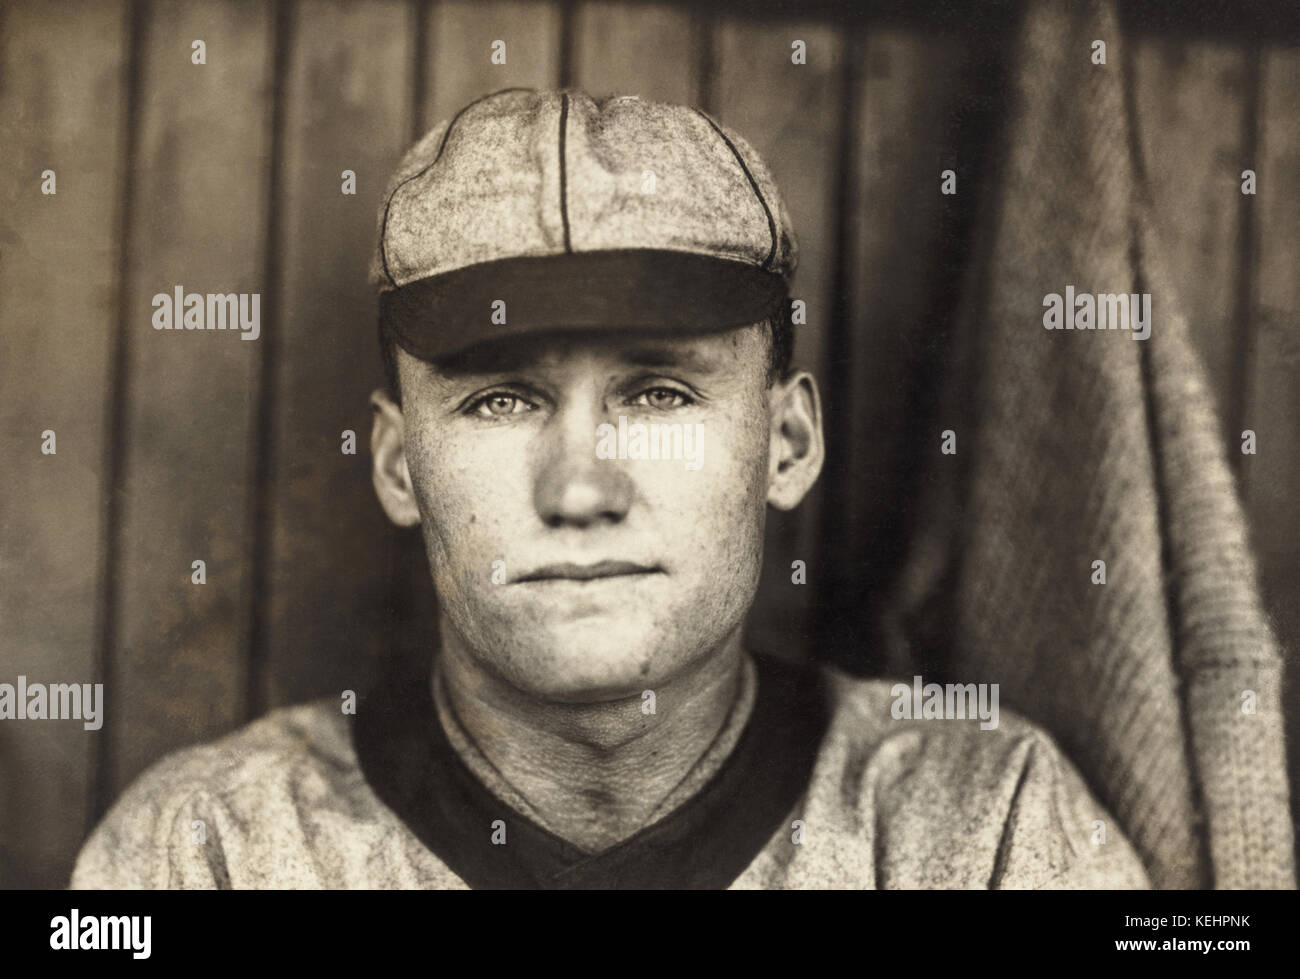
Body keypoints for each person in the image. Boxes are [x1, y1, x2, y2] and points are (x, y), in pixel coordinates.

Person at [71, 88, 1149, 889]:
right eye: (500, 400)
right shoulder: (202, 852)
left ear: (785, 442)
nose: (580, 486)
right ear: (400, 466)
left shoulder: (983, 830)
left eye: (659, 392)